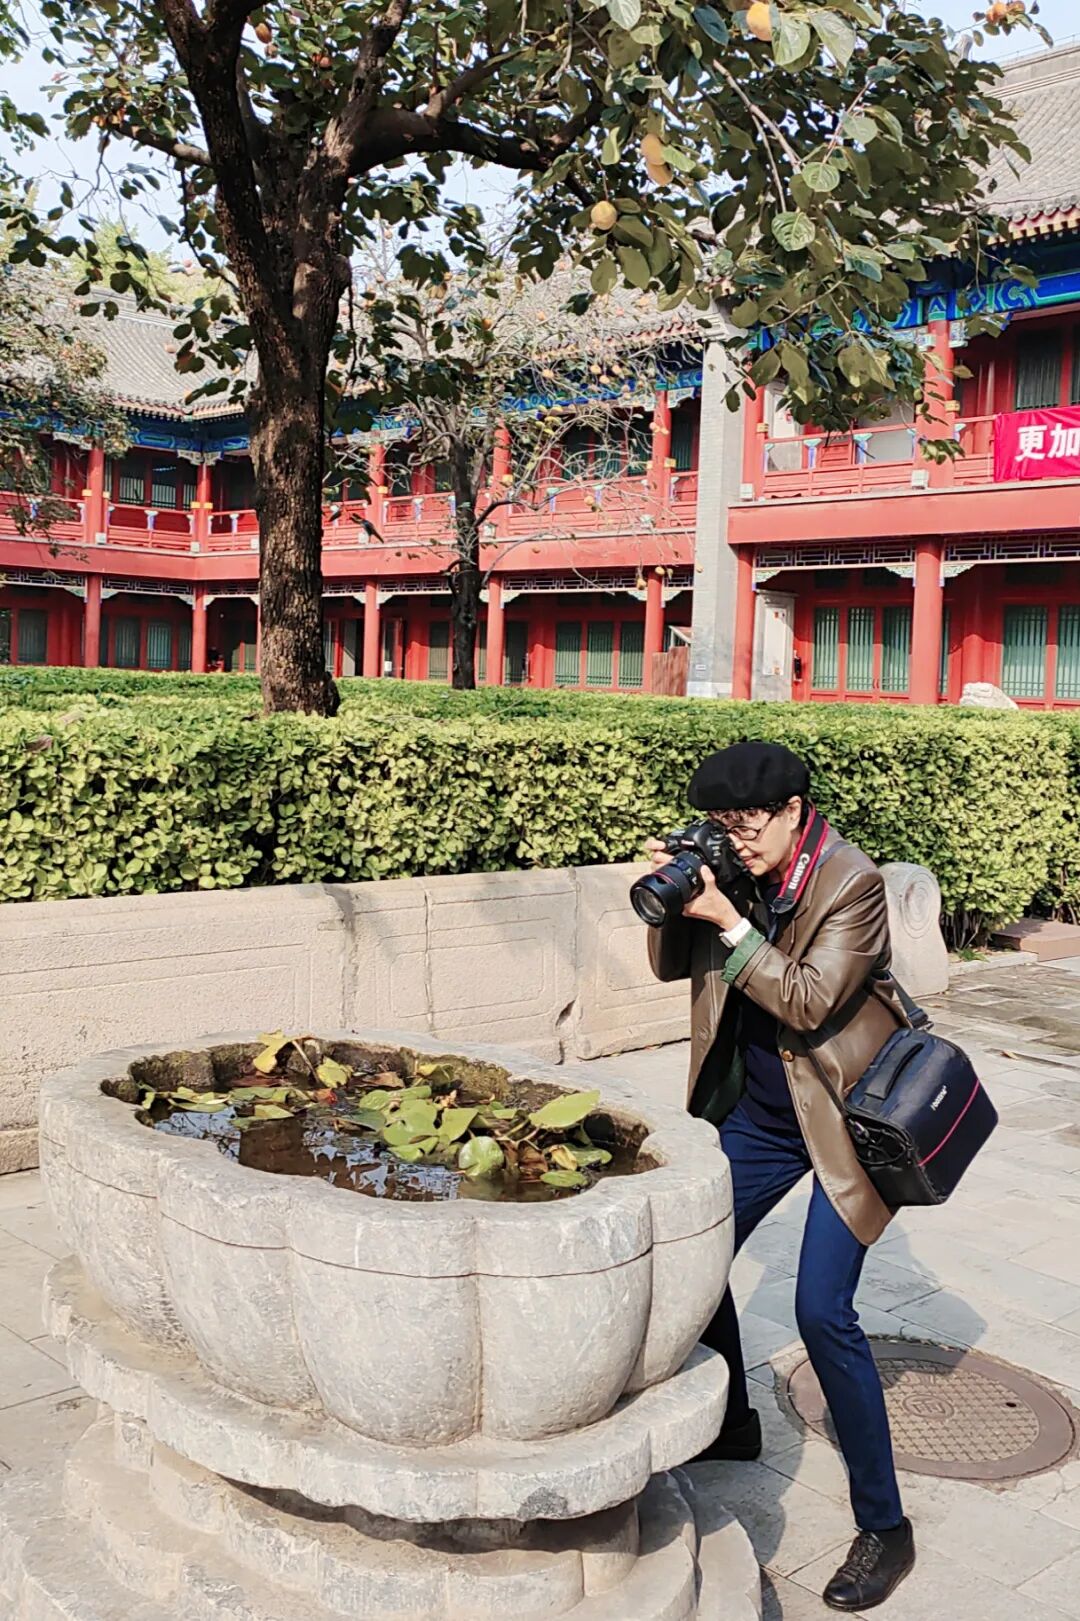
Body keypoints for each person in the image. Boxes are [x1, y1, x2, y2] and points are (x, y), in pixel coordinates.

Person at [645, 741, 914, 1613]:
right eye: (722, 825)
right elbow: (668, 966)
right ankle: (734, 1423)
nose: (737, 839)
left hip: (844, 1121)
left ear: (795, 809)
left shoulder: (852, 883)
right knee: (693, 1258)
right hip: (760, 1114)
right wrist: (677, 894)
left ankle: (886, 1526)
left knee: (821, 1310)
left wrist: (729, 919)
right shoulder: (737, 866)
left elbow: (806, 999)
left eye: (748, 824)